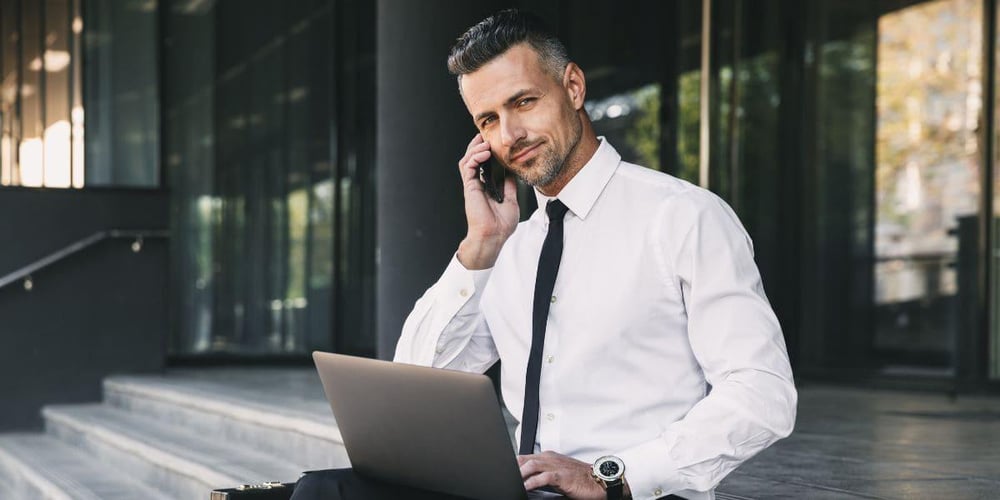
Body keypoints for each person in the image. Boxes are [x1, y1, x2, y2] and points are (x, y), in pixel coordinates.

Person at [292, 9, 796, 500]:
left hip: (634, 493)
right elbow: (415, 384)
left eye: (525, 102)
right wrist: (480, 248)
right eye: (488, 119)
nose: (510, 135)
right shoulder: (511, 245)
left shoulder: (682, 217)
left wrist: (611, 478)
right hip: (520, 487)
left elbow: (762, 394)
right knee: (327, 490)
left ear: (573, 87)